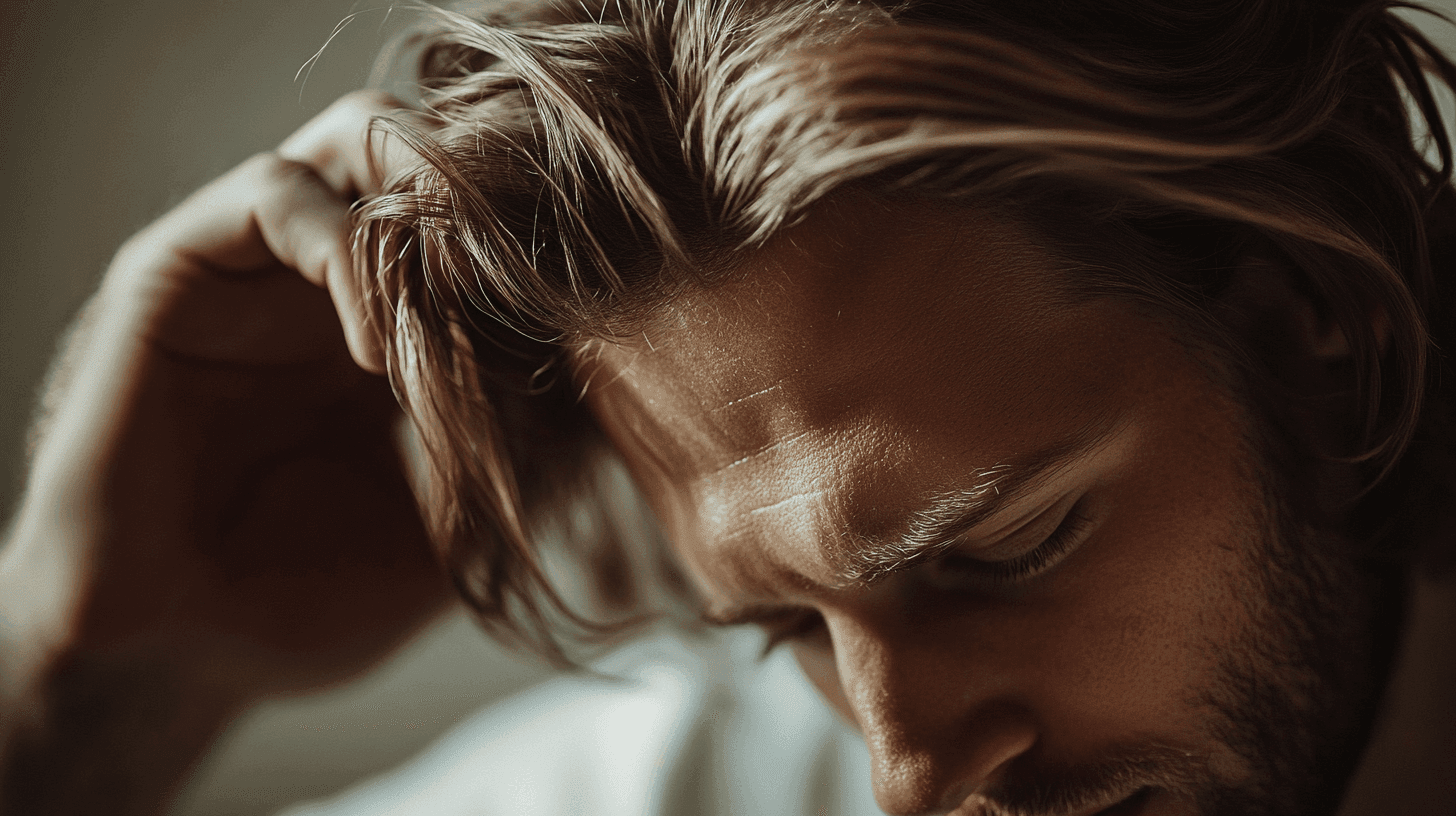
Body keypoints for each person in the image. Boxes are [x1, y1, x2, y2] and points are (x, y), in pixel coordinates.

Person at [2, 0, 1454, 814]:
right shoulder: (706, 785)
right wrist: (96, 700)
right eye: (784, 624)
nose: (907, 772)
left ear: (1309, 332)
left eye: (1002, 549)